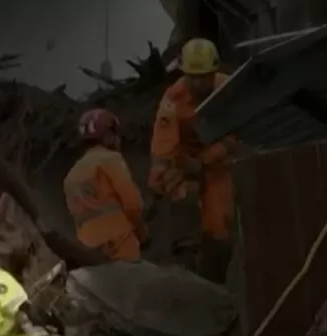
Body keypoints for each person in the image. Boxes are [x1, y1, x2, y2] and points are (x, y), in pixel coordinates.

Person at [148, 38, 239, 282]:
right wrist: (161, 178)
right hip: (185, 163)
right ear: (184, 73)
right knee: (182, 200)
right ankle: (186, 266)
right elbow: (163, 146)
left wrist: (206, 160)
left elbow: (238, 135)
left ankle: (215, 278)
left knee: (220, 227)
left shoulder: (229, 90)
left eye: (204, 76)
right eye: (193, 77)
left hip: (218, 164)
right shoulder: (173, 99)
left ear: (214, 71)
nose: (199, 84)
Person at [64, 108, 146, 261]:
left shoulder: (71, 175)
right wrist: (142, 233)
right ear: (108, 136)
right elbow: (133, 205)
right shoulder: (111, 159)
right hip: (121, 249)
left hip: (91, 255)